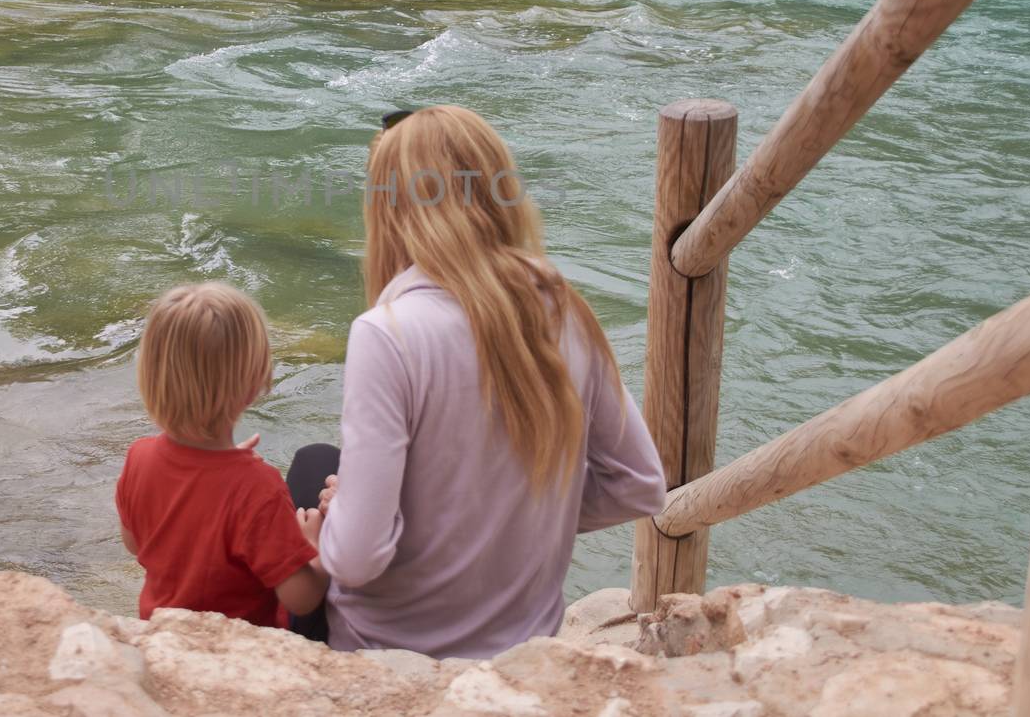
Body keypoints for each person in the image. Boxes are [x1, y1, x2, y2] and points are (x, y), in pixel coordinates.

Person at [298, 105, 667, 659]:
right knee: (318, 461)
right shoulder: (564, 312)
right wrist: (516, 520)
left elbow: (356, 558)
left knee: (306, 474)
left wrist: (332, 526)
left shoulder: (387, 332)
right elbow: (639, 484)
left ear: (391, 209)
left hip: (389, 653)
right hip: (521, 648)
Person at [116, 281, 328, 630]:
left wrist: (210, 484)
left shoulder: (139, 457)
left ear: (151, 375)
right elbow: (301, 598)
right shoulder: (258, 487)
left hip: (163, 631)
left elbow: (135, 544)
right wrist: (316, 547)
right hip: (238, 647)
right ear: (254, 381)